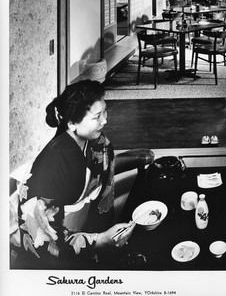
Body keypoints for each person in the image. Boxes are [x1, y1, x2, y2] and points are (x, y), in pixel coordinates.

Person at [9, 80, 135, 268]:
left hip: (86, 234)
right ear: (72, 123)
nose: (105, 120)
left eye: (105, 111)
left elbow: (105, 198)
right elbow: (45, 242)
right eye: (97, 116)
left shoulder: (101, 144)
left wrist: (108, 235)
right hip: (48, 246)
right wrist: (99, 240)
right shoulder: (50, 166)